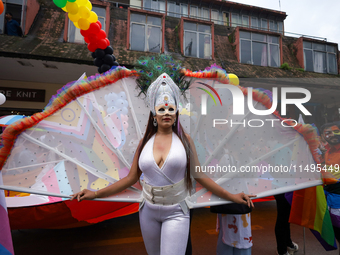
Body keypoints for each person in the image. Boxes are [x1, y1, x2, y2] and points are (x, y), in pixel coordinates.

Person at [71, 60, 255, 255]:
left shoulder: (186, 140)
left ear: (176, 114)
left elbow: (201, 177)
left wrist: (232, 197)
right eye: (161, 109)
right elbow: (130, 179)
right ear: (154, 115)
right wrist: (95, 194)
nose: (166, 113)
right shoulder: (144, 142)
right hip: (147, 212)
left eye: (170, 109)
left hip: (177, 212)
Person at [321, 122, 340, 244]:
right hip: (329, 195)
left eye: (336, 131)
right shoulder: (328, 151)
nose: (332, 134)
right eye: (328, 133)